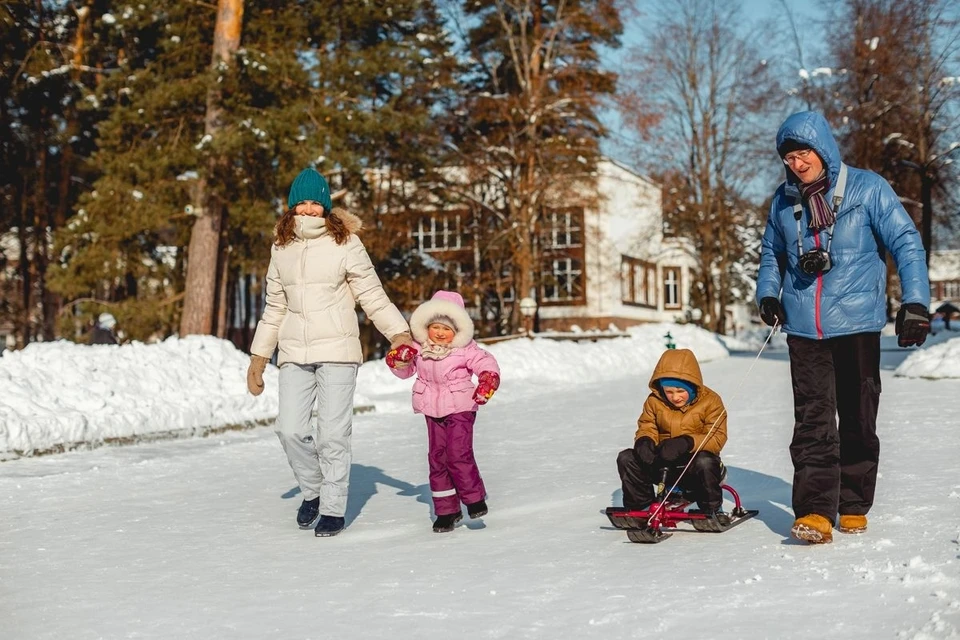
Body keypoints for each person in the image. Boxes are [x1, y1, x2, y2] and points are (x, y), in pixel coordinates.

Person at [756, 111, 930, 544]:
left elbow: (906, 241)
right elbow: (771, 254)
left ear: (823, 150)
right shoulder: (783, 200)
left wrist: (915, 302)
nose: (797, 164)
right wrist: (769, 294)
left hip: (857, 324)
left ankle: (852, 501)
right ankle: (815, 510)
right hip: (804, 328)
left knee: (858, 417)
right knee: (812, 421)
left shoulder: (868, 189)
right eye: (789, 158)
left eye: (803, 154)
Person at [246, 167, 416, 537]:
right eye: (301, 204)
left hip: (338, 349)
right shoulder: (281, 246)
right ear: (291, 209)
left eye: (314, 204)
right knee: (289, 430)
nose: (308, 210)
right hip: (293, 350)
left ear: (325, 207)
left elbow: (371, 293)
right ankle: (312, 491)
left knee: (332, 435)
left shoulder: (346, 243)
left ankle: (333, 507)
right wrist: (259, 357)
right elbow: (274, 307)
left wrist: (399, 333)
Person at [385, 290, 501, 533]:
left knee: (457, 453)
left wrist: (487, 380)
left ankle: (473, 498)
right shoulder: (420, 347)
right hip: (432, 408)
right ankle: (447, 511)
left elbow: (485, 363)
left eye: (446, 328)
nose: (439, 333)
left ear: (457, 330)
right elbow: (406, 372)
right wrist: (399, 360)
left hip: (460, 407)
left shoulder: (465, 348)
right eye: (435, 326)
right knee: (437, 458)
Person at [616, 348, 729, 528]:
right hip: (663, 463)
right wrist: (644, 441)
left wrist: (687, 442)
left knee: (705, 461)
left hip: (693, 466)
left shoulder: (711, 402)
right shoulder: (654, 401)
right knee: (626, 457)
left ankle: (712, 509)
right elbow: (647, 425)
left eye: (680, 391)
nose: (675, 397)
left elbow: (717, 438)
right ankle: (640, 507)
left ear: (692, 385)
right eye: (669, 391)